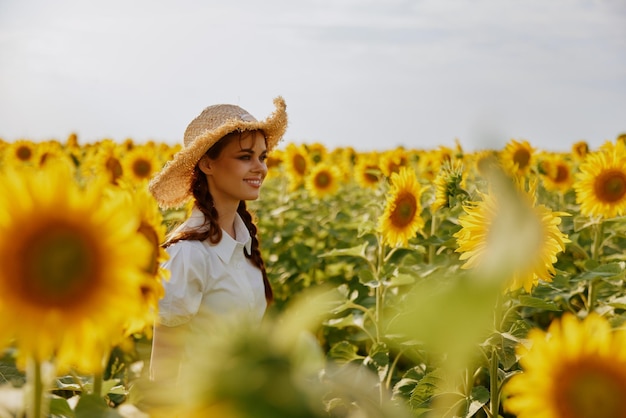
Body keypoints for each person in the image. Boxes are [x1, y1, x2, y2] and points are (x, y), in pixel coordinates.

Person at [147, 96, 288, 381]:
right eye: (245, 157)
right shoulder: (188, 254)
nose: (260, 167)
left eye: (262, 157)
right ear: (207, 165)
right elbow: (163, 374)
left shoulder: (244, 244)